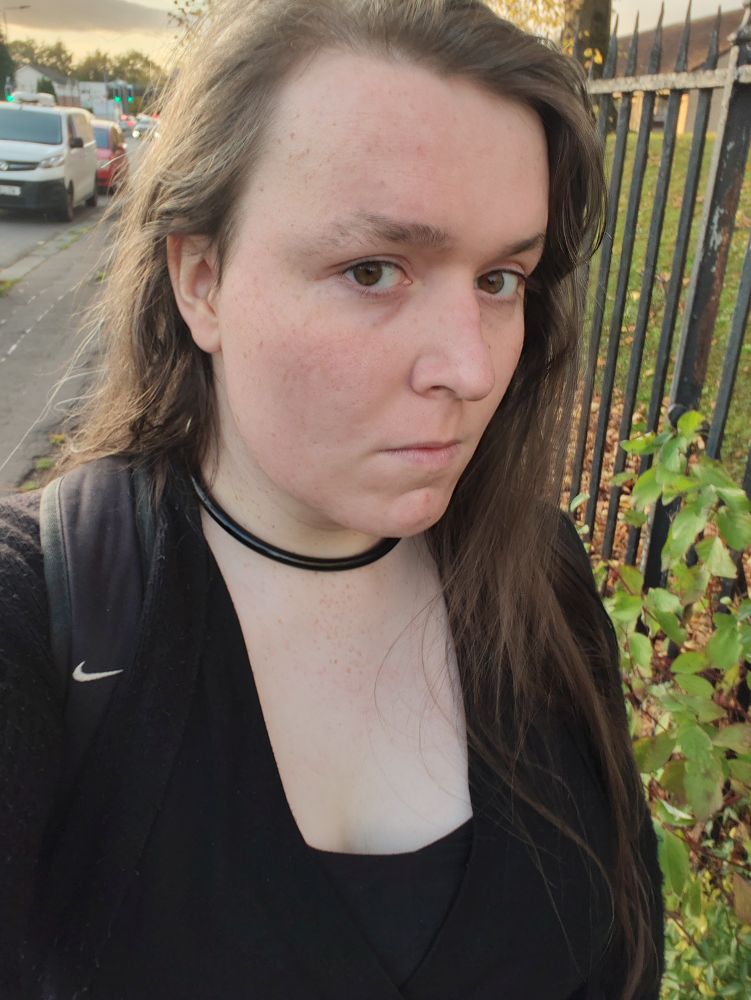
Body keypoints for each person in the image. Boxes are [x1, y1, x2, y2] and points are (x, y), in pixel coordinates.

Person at [0, 0, 664, 996]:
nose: (470, 369)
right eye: (373, 270)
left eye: (500, 278)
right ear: (202, 280)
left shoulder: (543, 585)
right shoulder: (36, 623)